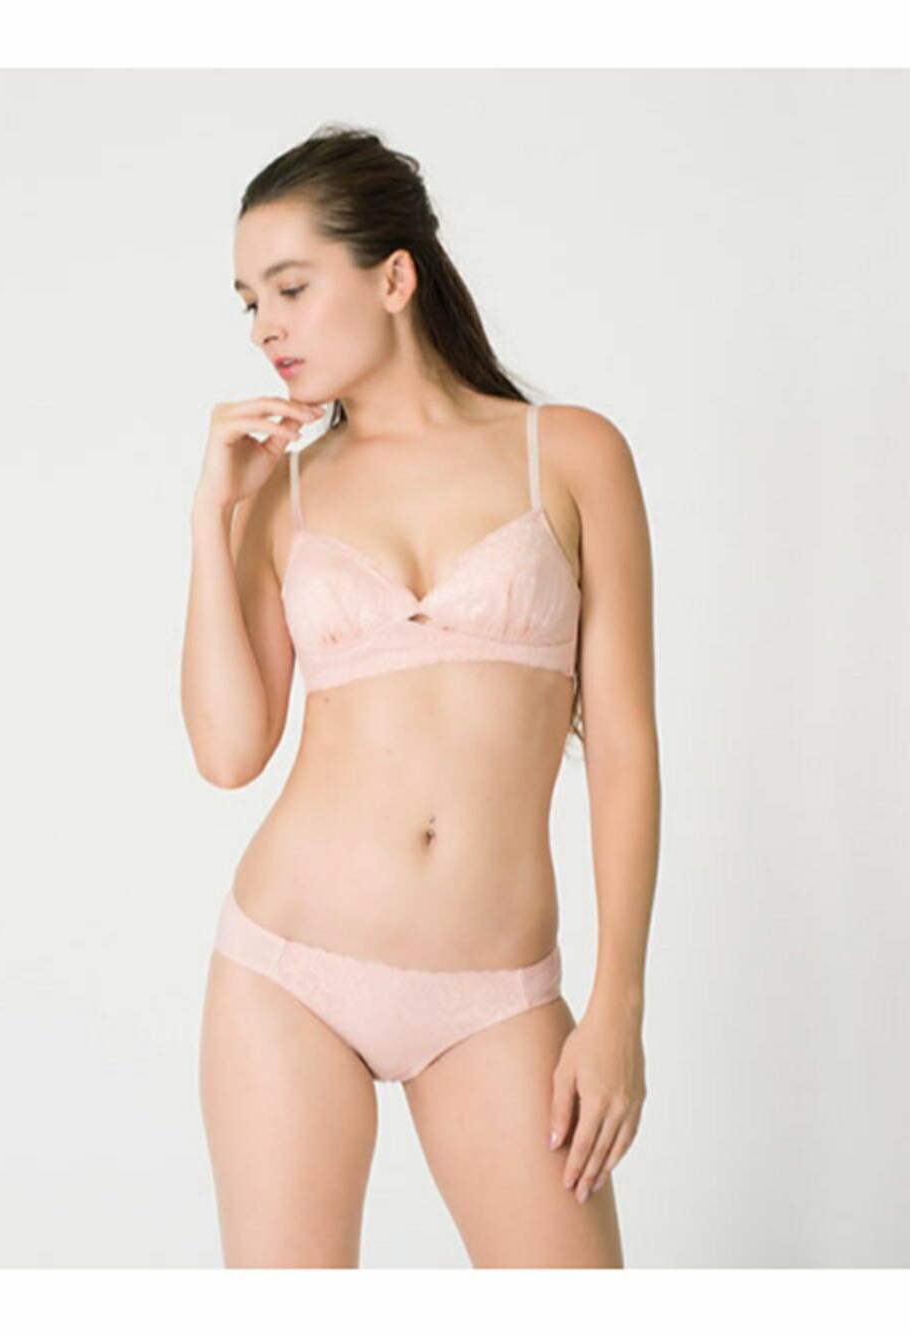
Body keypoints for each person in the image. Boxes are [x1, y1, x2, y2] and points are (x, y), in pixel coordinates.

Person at [182, 125, 659, 1268]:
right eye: (248, 302)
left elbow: (626, 747)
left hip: (498, 995)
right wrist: (213, 514)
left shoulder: (570, 454)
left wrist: (616, 1007)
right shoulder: (287, 493)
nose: (264, 327)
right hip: (287, 971)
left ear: (393, 277)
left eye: (290, 287)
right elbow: (228, 750)